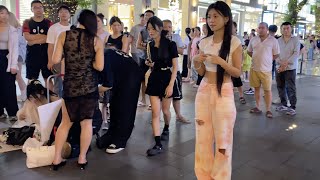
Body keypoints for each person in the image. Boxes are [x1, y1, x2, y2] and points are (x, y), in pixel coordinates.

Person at [193, 2, 242, 179]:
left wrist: (220, 61)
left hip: (225, 91)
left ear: (226, 18)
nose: (211, 20)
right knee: (202, 138)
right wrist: (196, 62)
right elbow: (203, 72)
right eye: (209, 16)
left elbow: (237, 72)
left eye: (216, 16)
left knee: (223, 140)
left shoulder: (235, 42)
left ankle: (221, 176)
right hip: (204, 90)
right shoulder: (203, 42)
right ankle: (203, 175)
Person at [51, 9, 104, 170]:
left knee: (65, 123)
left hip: (70, 87)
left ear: (78, 20)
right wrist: (90, 63)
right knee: (86, 123)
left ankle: (56, 159)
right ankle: (82, 158)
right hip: (89, 87)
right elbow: (100, 67)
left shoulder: (64, 35)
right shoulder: (96, 40)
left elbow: (54, 60)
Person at [144, 16, 178, 156]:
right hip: (154, 78)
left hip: (166, 78)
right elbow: (153, 62)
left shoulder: (170, 44)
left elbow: (175, 67)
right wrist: (150, 64)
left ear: (159, 28)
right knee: (155, 112)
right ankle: (158, 144)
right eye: (148, 29)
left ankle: (167, 126)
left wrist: (171, 85)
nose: (150, 31)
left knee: (165, 111)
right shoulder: (150, 45)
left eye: (153, 29)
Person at [247, 22, 280, 118]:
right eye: (259, 28)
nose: (260, 29)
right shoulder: (253, 39)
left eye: (262, 28)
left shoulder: (273, 40)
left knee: (267, 90)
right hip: (254, 69)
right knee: (256, 88)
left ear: (267, 29)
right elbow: (249, 51)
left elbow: (276, 54)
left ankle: (268, 110)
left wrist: (269, 59)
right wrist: (255, 58)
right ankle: (258, 107)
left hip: (266, 70)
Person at [163, 19, 189, 124]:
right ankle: (163, 115)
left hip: (174, 70)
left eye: (169, 27)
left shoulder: (176, 37)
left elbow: (182, 51)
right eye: (165, 27)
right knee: (162, 96)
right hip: (161, 72)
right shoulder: (158, 38)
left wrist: (170, 44)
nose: (167, 29)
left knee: (177, 95)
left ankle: (178, 115)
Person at [22, 0, 53, 87]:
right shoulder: (27, 22)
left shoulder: (48, 23)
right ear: (32, 9)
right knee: (32, 80)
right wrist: (43, 37)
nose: (38, 9)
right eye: (35, 7)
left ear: (43, 9)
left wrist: (33, 41)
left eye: (40, 7)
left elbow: (50, 38)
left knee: (48, 79)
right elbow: (27, 37)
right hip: (32, 55)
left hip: (46, 55)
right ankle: (32, 99)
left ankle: (50, 100)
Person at [275, 22, 300, 116]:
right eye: (284, 28)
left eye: (287, 28)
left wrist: (285, 64)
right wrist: (280, 63)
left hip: (290, 68)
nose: (285, 30)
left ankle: (292, 107)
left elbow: (296, 53)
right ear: (281, 29)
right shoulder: (278, 40)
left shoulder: (296, 40)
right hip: (279, 67)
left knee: (291, 87)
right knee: (280, 86)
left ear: (291, 28)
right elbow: (275, 53)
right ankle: (283, 104)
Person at [47, 5, 71, 97]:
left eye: (66, 12)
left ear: (69, 14)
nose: (63, 14)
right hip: (58, 58)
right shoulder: (53, 28)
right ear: (58, 14)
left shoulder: (73, 27)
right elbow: (50, 46)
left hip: (70, 58)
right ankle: (57, 107)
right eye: (61, 12)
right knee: (58, 83)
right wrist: (50, 61)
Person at [0, 5, 19, 121]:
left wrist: (13, 65)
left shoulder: (12, 29)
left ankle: (12, 112)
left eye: (6, 13)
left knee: (9, 86)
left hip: (7, 58)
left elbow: (15, 49)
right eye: (1, 13)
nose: (4, 15)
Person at [137, 10, 155, 110]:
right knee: (143, 80)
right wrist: (148, 47)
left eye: (149, 15)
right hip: (143, 58)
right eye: (145, 15)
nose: (147, 17)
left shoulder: (157, 29)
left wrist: (147, 45)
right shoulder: (142, 31)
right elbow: (138, 45)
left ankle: (153, 102)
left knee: (153, 80)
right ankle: (143, 100)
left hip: (155, 59)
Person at [8, 12, 27, 102]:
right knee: (14, 77)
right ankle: (19, 96)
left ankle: (24, 96)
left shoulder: (18, 29)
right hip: (13, 55)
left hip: (17, 55)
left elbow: (16, 42)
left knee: (17, 76)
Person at [130, 14, 147, 106]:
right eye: (143, 18)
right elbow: (133, 41)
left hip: (149, 57)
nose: (144, 20)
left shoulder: (153, 30)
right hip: (137, 53)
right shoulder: (137, 29)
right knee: (141, 77)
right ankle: (143, 99)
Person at [231, 21, 246, 104]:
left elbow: (242, 51)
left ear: (235, 28)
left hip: (236, 62)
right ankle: (229, 95)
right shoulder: (226, 37)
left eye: (232, 27)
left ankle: (241, 96)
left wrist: (241, 62)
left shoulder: (239, 38)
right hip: (228, 62)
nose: (230, 29)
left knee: (237, 80)